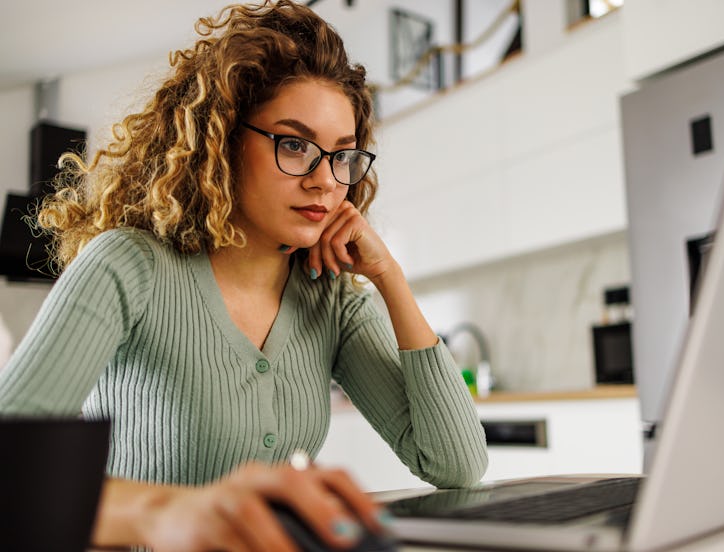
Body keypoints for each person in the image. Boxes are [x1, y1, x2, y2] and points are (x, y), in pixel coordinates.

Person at [0, 0, 488, 549]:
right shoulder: (126, 267)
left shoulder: (332, 301)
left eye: (343, 155)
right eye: (295, 144)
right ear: (222, 140)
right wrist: (162, 514)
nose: (326, 181)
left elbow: (457, 464)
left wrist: (390, 278)